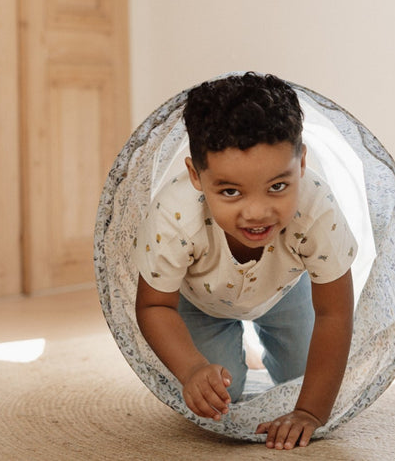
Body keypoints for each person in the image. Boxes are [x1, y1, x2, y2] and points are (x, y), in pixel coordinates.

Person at [133, 73, 357, 450]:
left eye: (277, 186)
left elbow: (335, 313)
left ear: (301, 163)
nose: (257, 212)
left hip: (285, 292)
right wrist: (191, 369)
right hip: (200, 302)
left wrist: (311, 413)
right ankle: (237, 345)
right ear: (196, 176)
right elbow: (154, 304)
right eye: (231, 191)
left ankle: (263, 342)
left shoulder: (317, 208)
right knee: (220, 395)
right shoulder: (175, 217)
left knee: (301, 383)